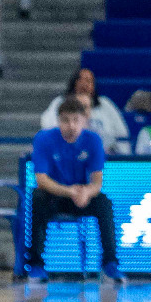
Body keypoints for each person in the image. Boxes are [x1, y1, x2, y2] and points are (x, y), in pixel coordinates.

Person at [23, 99, 123, 281]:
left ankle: (110, 264)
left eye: (76, 120)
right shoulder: (44, 139)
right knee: (36, 197)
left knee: (104, 202)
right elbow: (42, 180)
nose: (71, 126)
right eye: (65, 120)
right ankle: (36, 264)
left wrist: (86, 192)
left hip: (81, 197)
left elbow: (97, 182)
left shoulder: (93, 140)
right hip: (55, 196)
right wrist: (71, 191)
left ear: (84, 121)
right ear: (58, 121)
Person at [40, 67, 130, 154]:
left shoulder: (105, 104)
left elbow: (121, 133)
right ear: (73, 83)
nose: (84, 84)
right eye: (80, 80)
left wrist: (123, 156)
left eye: (88, 80)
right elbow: (48, 127)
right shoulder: (59, 102)